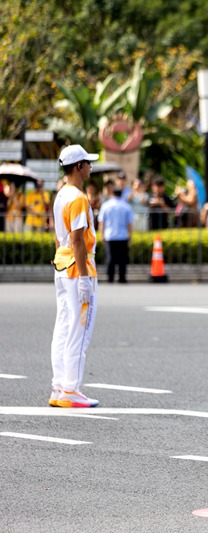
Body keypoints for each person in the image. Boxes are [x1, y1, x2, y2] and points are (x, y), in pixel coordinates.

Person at [49, 144, 101, 408]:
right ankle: (70, 388)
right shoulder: (78, 198)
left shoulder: (60, 195)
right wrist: (83, 278)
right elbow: (78, 239)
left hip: (62, 266)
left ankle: (60, 386)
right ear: (79, 167)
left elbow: (60, 237)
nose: (91, 167)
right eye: (88, 163)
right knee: (79, 330)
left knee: (63, 326)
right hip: (79, 268)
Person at [97, 188, 135, 283]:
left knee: (110, 258)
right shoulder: (126, 206)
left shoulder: (106, 205)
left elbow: (102, 222)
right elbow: (129, 223)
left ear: (112, 194)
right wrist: (130, 235)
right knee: (122, 259)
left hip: (110, 235)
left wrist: (101, 234)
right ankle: (122, 277)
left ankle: (110, 277)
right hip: (122, 235)